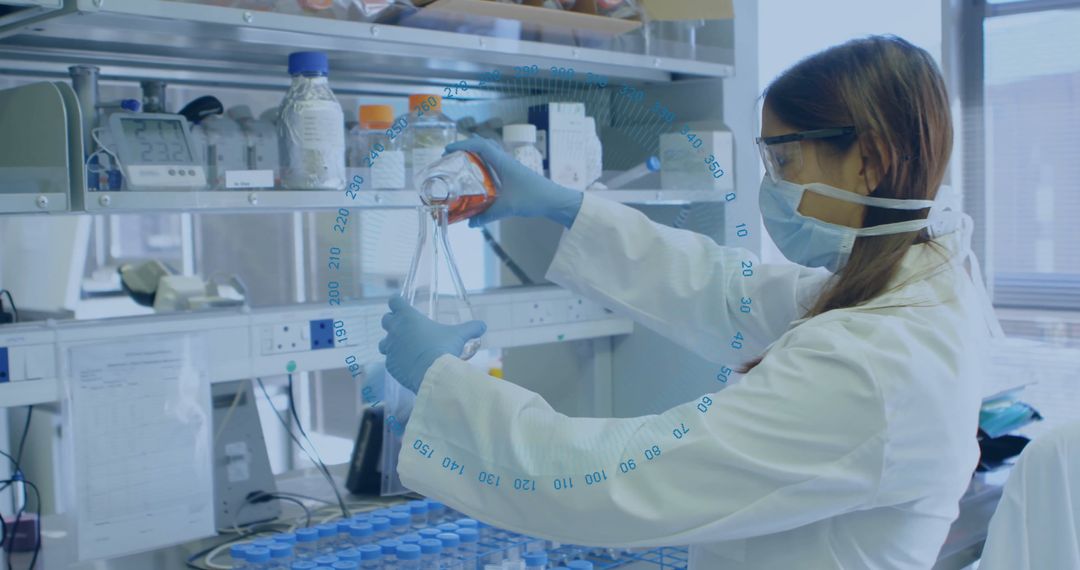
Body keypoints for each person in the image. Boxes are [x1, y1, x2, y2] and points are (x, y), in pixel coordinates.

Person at [379, 35, 1001, 569]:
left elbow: (623, 478)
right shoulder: (907, 284)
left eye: (783, 158)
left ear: (869, 161)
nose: (771, 184)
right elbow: (725, 290)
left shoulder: (877, 358)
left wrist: (444, 389)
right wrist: (562, 207)